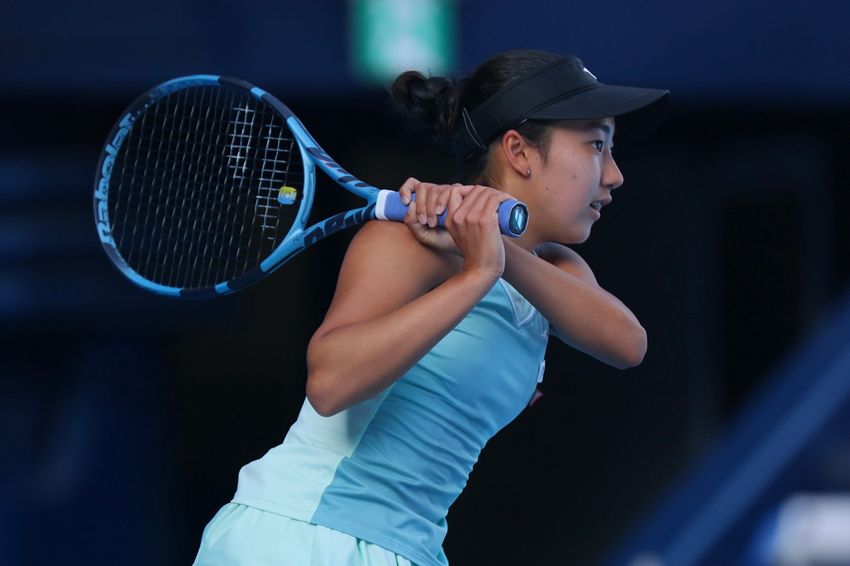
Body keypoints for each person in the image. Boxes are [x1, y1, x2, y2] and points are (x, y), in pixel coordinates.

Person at [193, 49, 670, 566]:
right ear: (519, 151)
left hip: (407, 548)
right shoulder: (407, 242)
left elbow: (627, 345)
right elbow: (330, 384)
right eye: (597, 145)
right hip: (305, 536)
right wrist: (476, 274)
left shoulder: (555, 270)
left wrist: (493, 252)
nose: (614, 175)